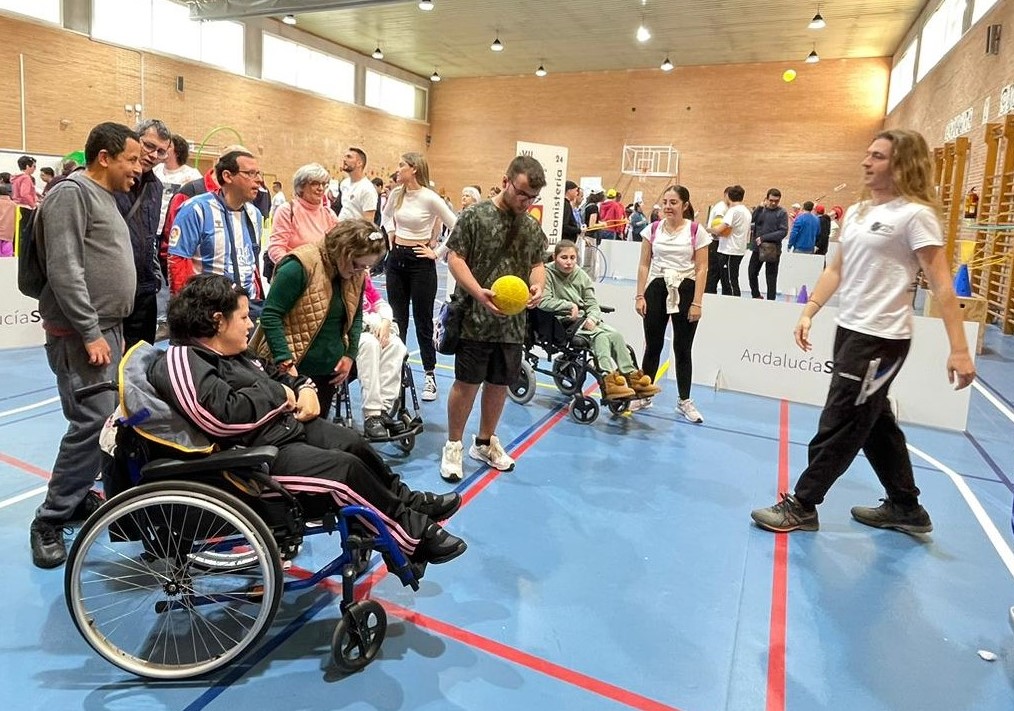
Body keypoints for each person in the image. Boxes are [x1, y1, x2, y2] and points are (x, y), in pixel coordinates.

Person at [150, 274, 466, 568]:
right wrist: (279, 394)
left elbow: (274, 375)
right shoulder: (183, 360)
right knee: (344, 471)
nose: (251, 324)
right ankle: (411, 536)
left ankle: (407, 501)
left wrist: (303, 387)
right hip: (250, 461)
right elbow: (220, 418)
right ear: (217, 321)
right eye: (244, 317)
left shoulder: (233, 353)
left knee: (352, 442)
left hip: (280, 432)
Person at [750, 129, 977, 534]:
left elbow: (943, 285)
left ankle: (803, 504)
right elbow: (836, 269)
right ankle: (906, 506)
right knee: (873, 420)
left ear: (902, 164)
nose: (866, 162)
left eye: (878, 156)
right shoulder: (856, 213)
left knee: (841, 418)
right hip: (850, 330)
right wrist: (810, 311)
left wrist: (959, 349)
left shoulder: (915, 215)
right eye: (868, 154)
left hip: (883, 338)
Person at [29, 122, 142, 568]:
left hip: (106, 327)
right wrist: (90, 330)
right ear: (104, 157)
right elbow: (65, 266)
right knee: (92, 423)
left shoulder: (105, 198)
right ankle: (50, 519)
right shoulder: (70, 194)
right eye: (132, 158)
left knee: (103, 421)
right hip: (83, 334)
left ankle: (74, 501)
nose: (138, 167)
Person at [440, 155, 548, 482]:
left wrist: (538, 286)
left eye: (533, 197)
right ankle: (454, 445)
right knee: (467, 384)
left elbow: (537, 262)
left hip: (512, 324)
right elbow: (454, 258)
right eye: (522, 194)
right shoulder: (474, 216)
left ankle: (485, 442)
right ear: (506, 182)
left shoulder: (530, 226)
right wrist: (478, 292)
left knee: (499, 384)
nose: (526, 202)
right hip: (474, 318)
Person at [256, 219, 386, 418]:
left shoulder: (356, 274)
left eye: (365, 267)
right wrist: (286, 362)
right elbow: (271, 315)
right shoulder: (299, 265)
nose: (358, 271)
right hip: (292, 371)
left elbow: (356, 315)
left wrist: (350, 355)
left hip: (328, 373)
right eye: (356, 264)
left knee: (316, 430)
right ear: (343, 250)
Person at [541, 240, 659, 400]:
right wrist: (567, 305)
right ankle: (608, 380)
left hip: (584, 320)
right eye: (564, 258)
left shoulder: (580, 275)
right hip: (562, 323)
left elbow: (592, 303)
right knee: (601, 337)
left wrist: (593, 317)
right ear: (555, 257)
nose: (569, 262)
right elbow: (543, 301)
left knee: (616, 335)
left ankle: (633, 378)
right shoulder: (546, 274)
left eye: (572, 258)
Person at [382, 152, 458, 403]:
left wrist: (436, 252)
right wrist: (391, 233)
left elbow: (457, 226)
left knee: (423, 321)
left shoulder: (429, 197)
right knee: (397, 320)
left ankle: (429, 374)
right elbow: (385, 216)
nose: (397, 169)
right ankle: (397, 372)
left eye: (401, 165)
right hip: (396, 261)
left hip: (420, 262)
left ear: (413, 169)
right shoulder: (396, 194)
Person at [635, 184, 711, 423]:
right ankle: (644, 395)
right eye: (665, 202)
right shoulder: (652, 230)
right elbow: (644, 264)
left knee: (682, 348)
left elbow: (701, 268)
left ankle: (684, 400)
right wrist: (640, 295)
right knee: (653, 345)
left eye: (674, 202)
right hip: (657, 289)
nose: (668, 207)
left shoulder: (697, 231)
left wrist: (697, 302)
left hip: (685, 290)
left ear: (685, 205)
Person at [167, 150, 265, 313]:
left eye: (258, 173)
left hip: (248, 308)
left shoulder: (254, 214)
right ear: (227, 176)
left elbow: (252, 262)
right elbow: (177, 262)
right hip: (209, 310)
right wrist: (188, 310)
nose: (259, 180)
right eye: (250, 173)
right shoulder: (196, 209)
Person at [117, 118, 172, 348]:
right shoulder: (112, 180)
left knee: (140, 361)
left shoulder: (156, 187)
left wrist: (154, 278)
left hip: (144, 289)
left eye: (160, 151)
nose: (152, 154)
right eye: (148, 146)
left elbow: (150, 235)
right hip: (115, 288)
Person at [358, 275, 411, 438]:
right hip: (352, 332)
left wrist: (386, 321)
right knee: (370, 344)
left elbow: (380, 303)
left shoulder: (362, 277)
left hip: (374, 325)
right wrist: (372, 324)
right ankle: (372, 414)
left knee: (396, 346)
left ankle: (383, 411)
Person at [266, 163, 339, 266]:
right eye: (315, 183)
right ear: (301, 186)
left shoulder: (329, 215)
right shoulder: (286, 211)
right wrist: (294, 270)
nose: (321, 188)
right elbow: (276, 248)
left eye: (324, 184)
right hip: (294, 274)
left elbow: (338, 247)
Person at [709, 185, 751, 296]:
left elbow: (719, 229)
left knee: (729, 281)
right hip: (739, 249)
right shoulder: (746, 211)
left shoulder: (733, 211)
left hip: (729, 250)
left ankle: (733, 304)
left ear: (728, 196)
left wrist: (708, 229)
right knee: (731, 279)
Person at [748, 188, 788, 300]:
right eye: (771, 200)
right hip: (757, 248)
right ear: (766, 199)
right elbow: (752, 219)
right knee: (752, 273)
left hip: (773, 249)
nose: (774, 203)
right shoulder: (761, 210)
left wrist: (764, 237)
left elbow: (783, 231)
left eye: (776, 201)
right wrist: (759, 208)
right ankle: (756, 295)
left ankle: (771, 301)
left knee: (771, 277)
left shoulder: (782, 212)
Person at [337, 147, 376, 223]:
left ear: (359, 163)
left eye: (349, 157)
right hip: (341, 230)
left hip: (356, 233)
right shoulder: (344, 184)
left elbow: (368, 222)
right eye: (345, 157)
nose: (344, 160)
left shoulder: (367, 189)